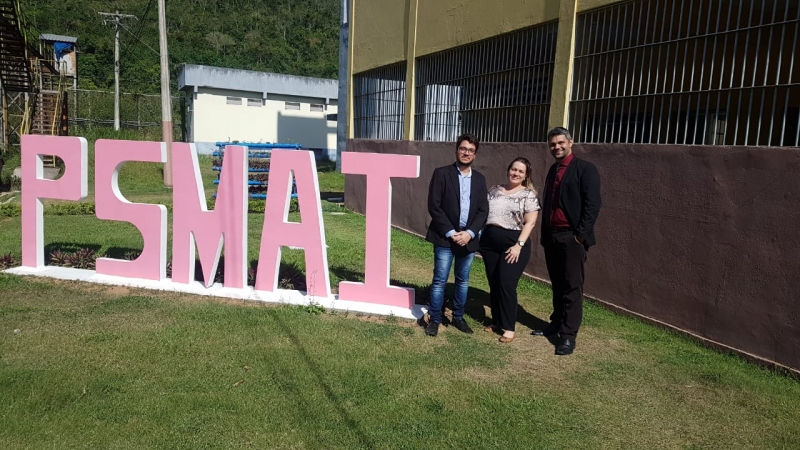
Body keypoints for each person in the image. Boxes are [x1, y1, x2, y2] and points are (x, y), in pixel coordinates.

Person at [533, 127, 601, 356]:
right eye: (553, 144)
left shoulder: (585, 169)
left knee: (572, 286)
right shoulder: (553, 170)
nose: (557, 147)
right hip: (552, 236)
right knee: (557, 284)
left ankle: (568, 336)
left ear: (570, 142)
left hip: (572, 237)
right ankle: (556, 323)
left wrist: (579, 236)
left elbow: (593, 205)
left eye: (561, 142)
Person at [425, 133, 489, 337]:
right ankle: (435, 319)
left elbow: (483, 210)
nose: (466, 153)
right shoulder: (441, 173)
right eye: (463, 148)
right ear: (456, 150)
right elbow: (434, 206)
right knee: (440, 280)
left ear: (475, 154)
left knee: (462, 280)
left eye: (471, 150)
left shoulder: (479, 179)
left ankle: (458, 317)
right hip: (445, 237)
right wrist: (451, 232)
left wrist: (470, 233)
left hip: (468, 240)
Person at [480, 157, 540, 343]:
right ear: (508, 170)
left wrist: (518, 246)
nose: (516, 173)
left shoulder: (528, 195)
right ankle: (497, 321)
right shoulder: (494, 190)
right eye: (514, 169)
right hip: (490, 243)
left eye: (521, 171)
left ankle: (509, 327)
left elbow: (530, 223)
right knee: (494, 282)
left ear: (526, 175)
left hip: (514, 244)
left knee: (506, 283)